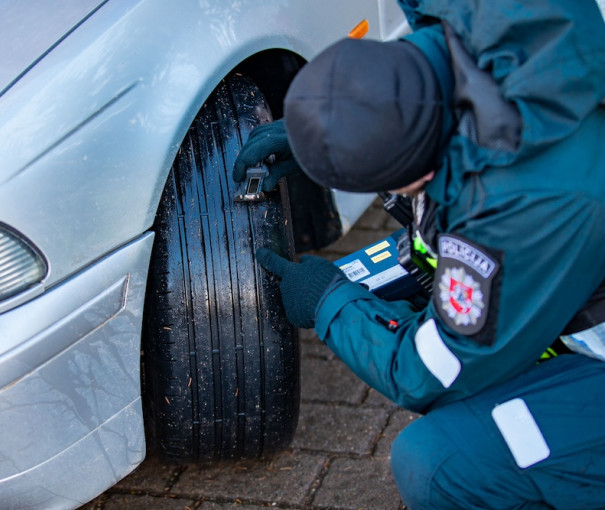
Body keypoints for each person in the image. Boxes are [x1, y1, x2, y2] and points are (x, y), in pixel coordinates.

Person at [233, 1, 605, 508]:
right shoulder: (479, 46)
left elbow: (431, 370)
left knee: (440, 461)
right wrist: (327, 130)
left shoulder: (518, 208)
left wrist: (332, 304)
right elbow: (440, 239)